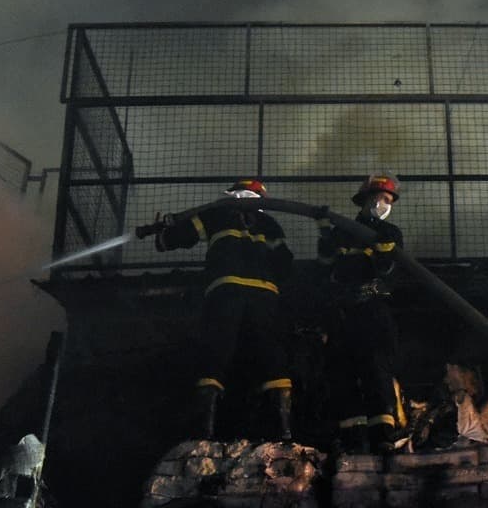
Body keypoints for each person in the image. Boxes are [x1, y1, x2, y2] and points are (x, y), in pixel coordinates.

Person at [153, 179, 294, 441]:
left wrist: (164, 232)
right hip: (265, 295)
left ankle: (204, 431)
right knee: (271, 355)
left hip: (225, 291)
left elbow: (174, 239)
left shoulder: (216, 213)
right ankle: (283, 431)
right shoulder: (270, 224)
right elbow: (285, 264)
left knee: (216, 353)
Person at [316, 174, 405, 452]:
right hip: (343, 312)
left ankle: (382, 437)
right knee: (342, 371)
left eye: (388, 200)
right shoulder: (343, 231)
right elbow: (326, 266)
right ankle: (352, 438)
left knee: (376, 370)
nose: (383, 203)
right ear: (365, 200)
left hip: (373, 310)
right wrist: (324, 233)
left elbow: (388, 270)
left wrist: (381, 250)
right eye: (378, 198)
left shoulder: (391, 233)